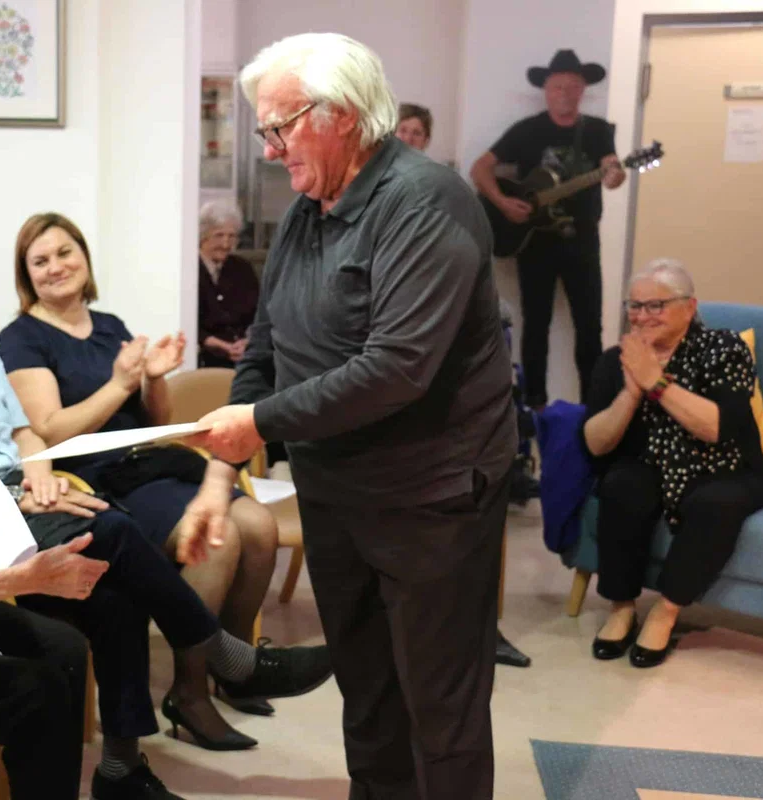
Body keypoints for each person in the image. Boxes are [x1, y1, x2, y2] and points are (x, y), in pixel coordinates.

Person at [0, 210, 330, 762]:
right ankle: (227, 656)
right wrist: (21, 491)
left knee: (110, 588)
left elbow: (22, 431)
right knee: (112, 529)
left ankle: (122, 763)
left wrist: (41, 473)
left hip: (26, 487)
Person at [190, 33, 517, 799]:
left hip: (431, 499)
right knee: (368, 694)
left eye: (280, 127)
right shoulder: (312, 208)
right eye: (264, 132)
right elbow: (263, 351)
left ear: (340, 114)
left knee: (441, 706)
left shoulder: (428, 202)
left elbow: (397, 367)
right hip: (337, 492)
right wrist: (219, 468)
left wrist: (260, 425)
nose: (270, 150)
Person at [0, 211, 331, 715]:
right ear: (27, 276)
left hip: (152, 460)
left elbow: (155, 415)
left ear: (84, 257)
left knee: (258, 526)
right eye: (40, 261)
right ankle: (190, 690)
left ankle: (233, 669)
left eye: (65, 253)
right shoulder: (22, 337)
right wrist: (118, 385)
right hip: (98, 474)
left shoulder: (109, 326)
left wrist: (153, 379)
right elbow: (49, 431)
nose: (56, 267)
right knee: (219, 541)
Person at [582, 259, 763, 668]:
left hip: (726, 466)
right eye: (634, 306)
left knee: (714, 503)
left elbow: (717, 428)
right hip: (651, 464)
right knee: (621, 484)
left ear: (689, 307)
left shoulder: (724, 349)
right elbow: (596, 443)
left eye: (656, 305)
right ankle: (621, 607)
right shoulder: (616, 360)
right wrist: (631, 393)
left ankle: (665, 611)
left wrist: (656, 382)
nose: (642, 316)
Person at [398, 103, 535, 669]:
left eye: (417, 134)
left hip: (467, 401)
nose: (408, 140)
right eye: (401, 132)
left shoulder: (447, 196)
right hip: (404, 401)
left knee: (482, 516)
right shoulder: (378, 208)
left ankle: (481, 629)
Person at [471, 49, 625, 410]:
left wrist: (616, 173)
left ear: (582, 90)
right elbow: (480, 168)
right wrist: (503, 202)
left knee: (590, 328)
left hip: (583, 243)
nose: (565, 93)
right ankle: (534, 404)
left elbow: (612, 171)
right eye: (558, 87)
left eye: (572, 87)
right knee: (535, 325)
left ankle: (594, 409)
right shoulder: (528, 130)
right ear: (546, 90)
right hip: (535, 244)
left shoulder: (598, 131)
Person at [197, 199, 258, 369]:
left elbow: (259, 314)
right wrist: (218, 345)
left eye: (231, 236)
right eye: (219, 235)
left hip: (245, 356)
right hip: (204, 360)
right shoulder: (189, 270)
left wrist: (248, 340)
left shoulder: (242, 268)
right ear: (203, 236)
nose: (225, 244)